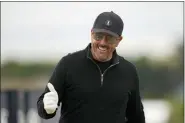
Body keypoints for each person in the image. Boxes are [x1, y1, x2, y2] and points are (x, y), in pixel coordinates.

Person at [37, 11, 145, 123]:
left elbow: (136, 117)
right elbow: (42, 106)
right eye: (98, 36)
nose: (103, 43)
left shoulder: (129, 71)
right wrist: (46, 109)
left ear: (119, 40)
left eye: (110, 38)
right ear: (91, 34)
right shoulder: (68, 64)